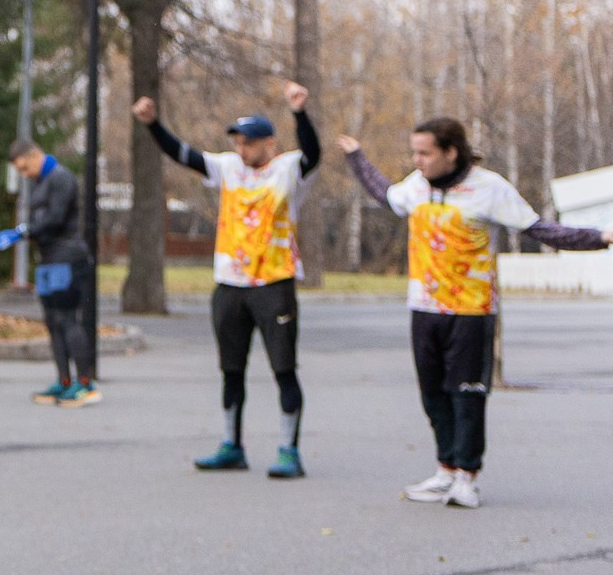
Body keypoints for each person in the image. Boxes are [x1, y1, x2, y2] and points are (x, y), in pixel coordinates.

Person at [339, 116, 606, 510]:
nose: (417, 161)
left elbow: (539, 230)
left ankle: (467, 477)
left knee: (466, 397)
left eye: (425, 153)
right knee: (433, 395)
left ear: (451, 152)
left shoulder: (489, 188)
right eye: (414, 152)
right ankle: (445, 470)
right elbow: (385, 195)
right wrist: (357, 158)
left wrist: (601, 237)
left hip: (471, 310)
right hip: (424, 308)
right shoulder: (417, 185)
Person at [136, 84, 320, 479]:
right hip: (230, 285)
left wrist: (299, 113)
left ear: (269, 144)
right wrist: (153, 124)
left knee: (283, 369)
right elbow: (183, 154)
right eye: (237, 142)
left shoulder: (288, 169)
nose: (241, 149)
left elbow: (313, 153)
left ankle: (289, 450)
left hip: (274, 283)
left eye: (248, 142)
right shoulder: (227, 168)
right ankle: (231, 445)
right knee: (231, 370)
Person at [0, 140, 96, 405]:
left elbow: (55, 218)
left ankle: (85, 382)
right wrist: (25, 230)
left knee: (68, 319)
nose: (24, 174)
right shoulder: (40, 183)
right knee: (53, 322)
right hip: (48, 259)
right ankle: (64, 381)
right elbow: (38, 220)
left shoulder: (61, 178)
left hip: (67, 258)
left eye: (24, 167)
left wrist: (22, 232)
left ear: (34, 155)